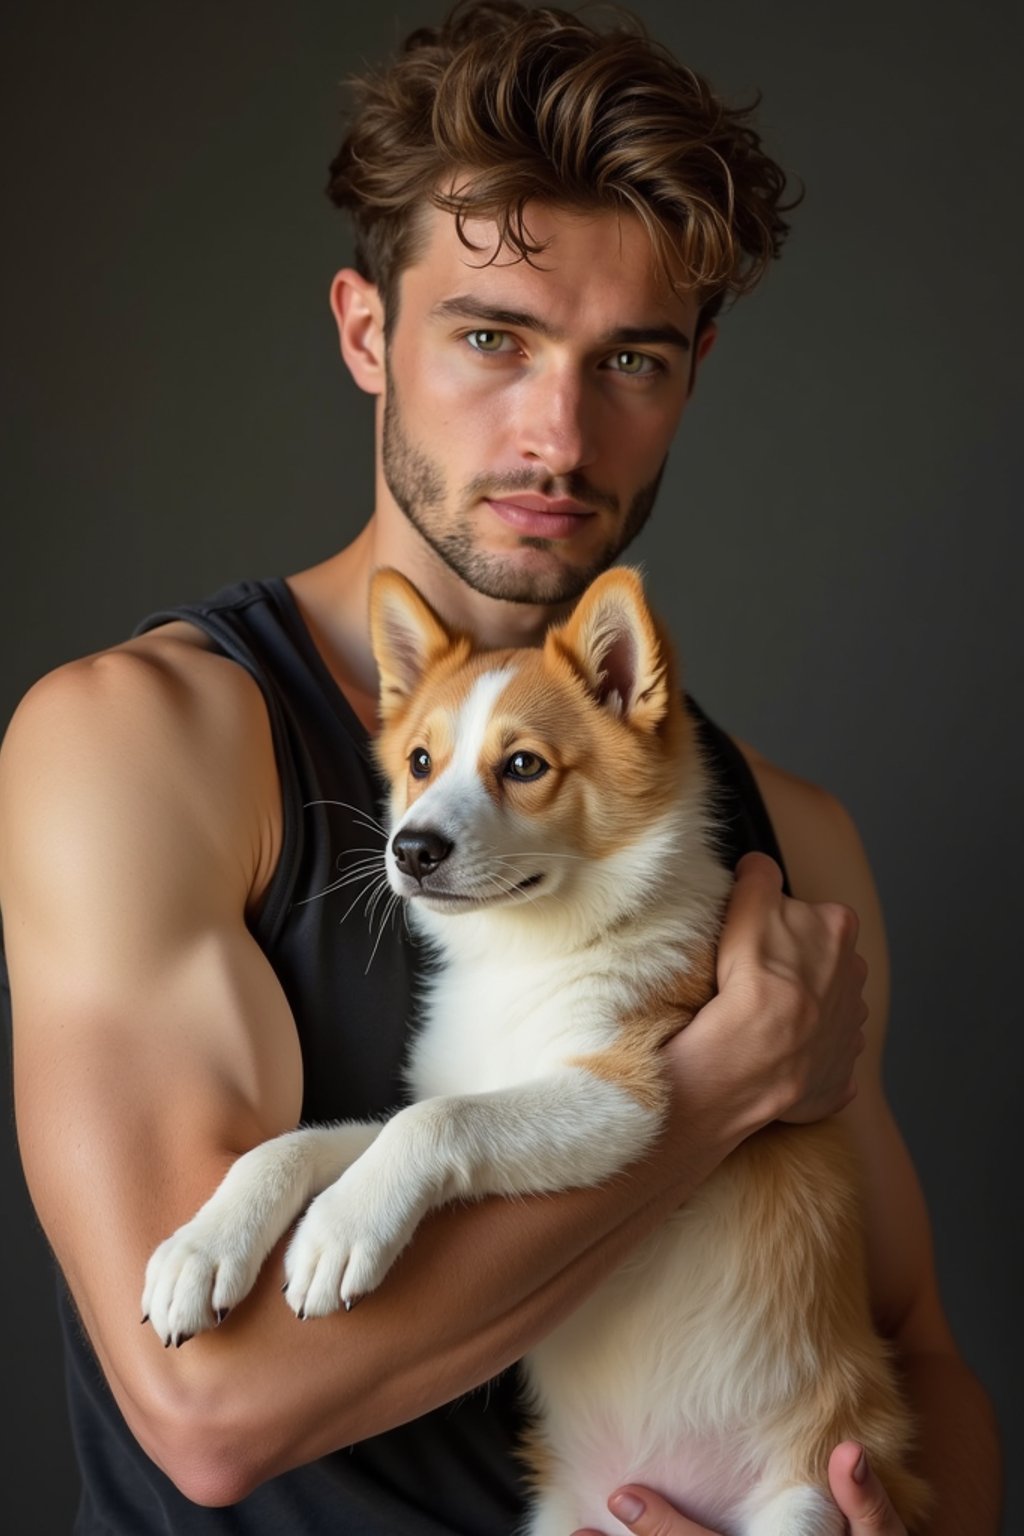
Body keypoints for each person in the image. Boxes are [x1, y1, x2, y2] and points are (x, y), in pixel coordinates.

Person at [0, 2, 1000, 1532]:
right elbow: (208, 1407)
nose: (559, 434)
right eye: (491, 336)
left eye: (633, 361)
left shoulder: (790, 839)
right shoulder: (150, 743)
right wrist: (714, 1093)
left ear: (693, 374)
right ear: (363, 332)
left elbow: (918, 1357)